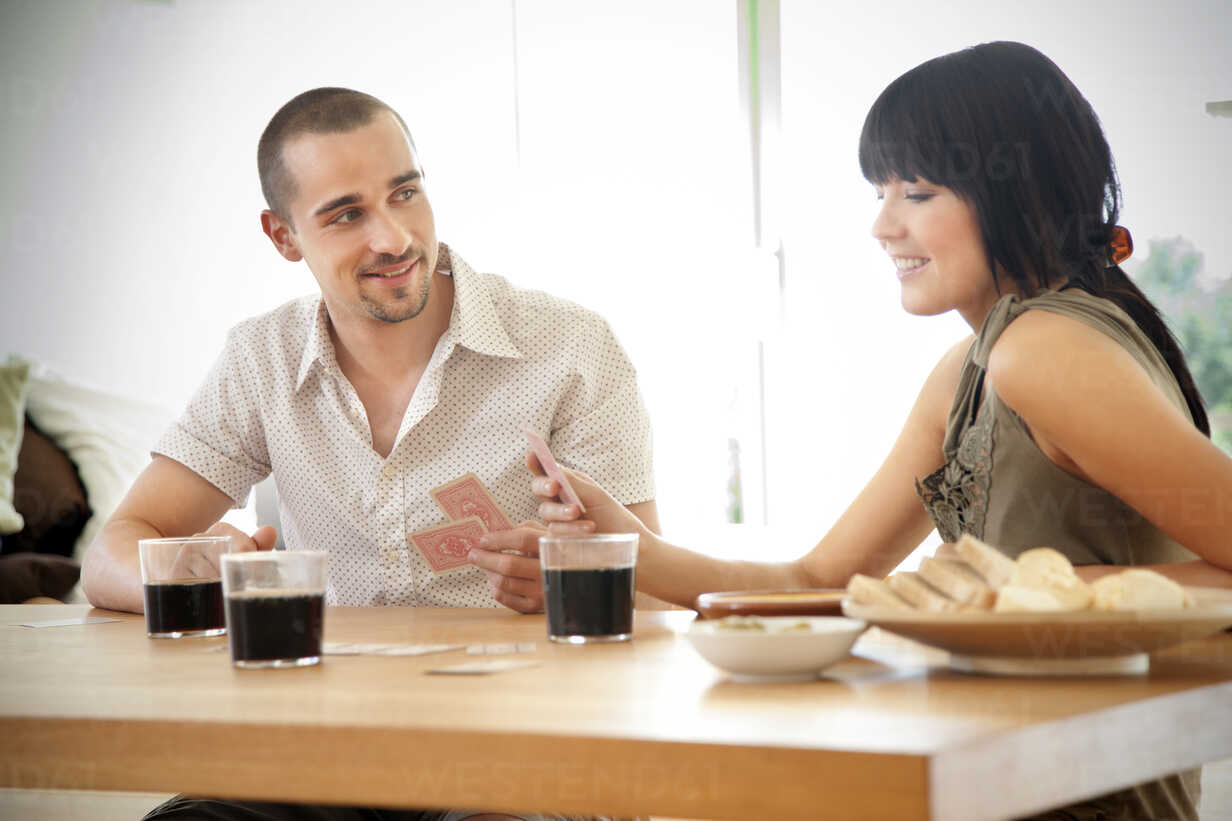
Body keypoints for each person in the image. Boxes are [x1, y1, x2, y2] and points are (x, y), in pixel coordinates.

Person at [497, 42, 1232, 821]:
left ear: (1019, 193)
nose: (882, 225)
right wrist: (627, 541)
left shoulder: (1041, 350)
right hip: (990, 778)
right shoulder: (971, 367)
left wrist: (1009, 589)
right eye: (882, 192)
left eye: (914, 191)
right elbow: (817, 579)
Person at [80, 87, 658, 821]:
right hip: (322, 749)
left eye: (406, 193)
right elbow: (112, 552)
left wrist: (577, 586)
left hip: (523, 736)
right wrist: (208, 581)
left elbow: (656, 593)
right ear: (284, 235)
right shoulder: (261, 359)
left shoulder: (570, 348)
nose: (394, 238)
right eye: (347, 214)